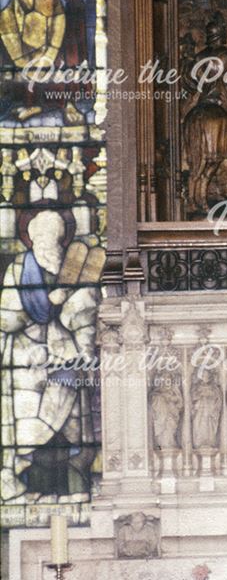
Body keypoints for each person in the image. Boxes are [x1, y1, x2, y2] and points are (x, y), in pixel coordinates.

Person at [1, 209, 100, 499]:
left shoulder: (72, 267)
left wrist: (70, 305)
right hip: (26, 363)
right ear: (31, 237)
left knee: (70, 430)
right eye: (42, 235)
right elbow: (6, 317)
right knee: (30, 431)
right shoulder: (18, 270)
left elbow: (87, 308)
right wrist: (44, 304)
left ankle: (74, 491)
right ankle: (31, 491)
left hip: (65, 361)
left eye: (54, 235)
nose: (48, 241)